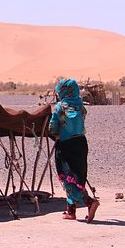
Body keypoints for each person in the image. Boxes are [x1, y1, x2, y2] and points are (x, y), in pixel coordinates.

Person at [48, 78, 99, 223]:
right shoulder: (81, 106)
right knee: (77, 175)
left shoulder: (60, 107)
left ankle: (89, 201)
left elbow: (52, 127)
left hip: (66, 145)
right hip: (81, 143)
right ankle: (71, 210)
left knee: (67, 175)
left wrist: (58, 132)